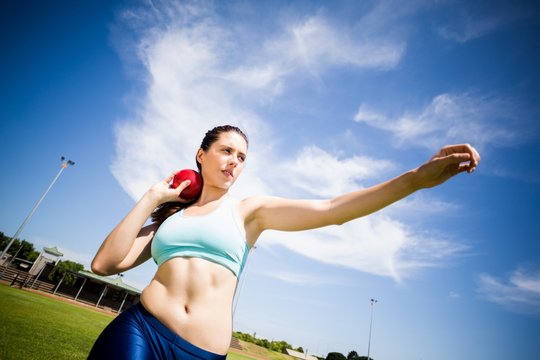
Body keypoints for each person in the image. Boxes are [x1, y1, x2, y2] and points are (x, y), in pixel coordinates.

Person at [88, 125, 480, 359]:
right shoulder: (171, 220)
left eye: (241, 157)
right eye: (225, 150)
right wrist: (154, 197)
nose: (233, 162)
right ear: (201, 154)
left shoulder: (249, 212)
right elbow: (104, 264)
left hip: (201, 351)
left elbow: (332, 208)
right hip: (142, 329)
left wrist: (414, 179)